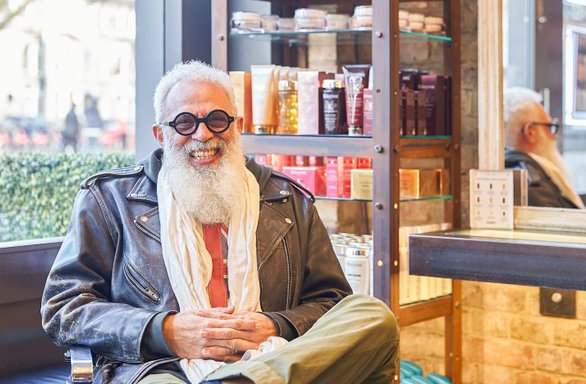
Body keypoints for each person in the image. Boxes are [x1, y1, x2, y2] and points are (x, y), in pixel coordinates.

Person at [41, 60, 399, 384]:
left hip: (274, 357)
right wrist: (164, 330)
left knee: (373, 316)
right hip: (160, 366)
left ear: (237, 126)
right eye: (185, 122)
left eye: (216, 119)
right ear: (160, 134)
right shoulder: (109, 199)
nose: (203, 135)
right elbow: (64, 308)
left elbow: (332, 300)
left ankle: (238, 381)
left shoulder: (288, 201)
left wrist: (278, 325)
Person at [503, 87, 585, 209]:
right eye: (550, 126)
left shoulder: (508, 171)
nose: (554, 136)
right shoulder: (534, 185)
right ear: (530, 132)